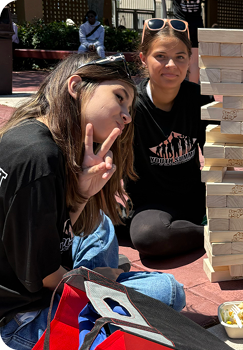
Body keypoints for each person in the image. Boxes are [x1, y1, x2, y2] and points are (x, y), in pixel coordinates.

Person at [0, 53, 185, 350]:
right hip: (19, 320)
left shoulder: (28, 133)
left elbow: (45, 236)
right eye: (120, 97)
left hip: (23, 276)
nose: (126, 115)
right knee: (169, 290)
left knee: (99, 223)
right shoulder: (40, 158)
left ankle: (98, 274)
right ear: (75, 86)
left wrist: (83, 194)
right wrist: (100, 279)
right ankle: (101, 280)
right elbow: (46, 278)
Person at [117, 19, 243, 258]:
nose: (171, 65)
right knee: (150, 238)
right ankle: (217, 234)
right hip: (153, 204)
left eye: (180, 57)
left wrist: (233, 191)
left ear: (190, 60)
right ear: (143, 59)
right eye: (160, 56)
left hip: (196, 195)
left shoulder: (198, 98)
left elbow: (219, 155)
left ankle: (199, 228)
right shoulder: (130, 105)